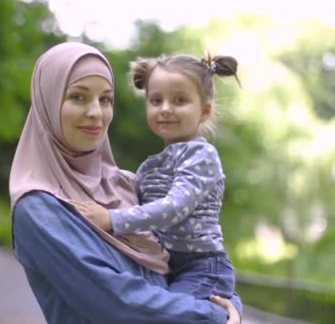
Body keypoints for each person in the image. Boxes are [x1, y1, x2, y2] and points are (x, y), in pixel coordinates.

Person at [10, 42, 242, 323]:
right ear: (47, 101)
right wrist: (217, 316)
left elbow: (202, 270)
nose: (96, 112)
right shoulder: (39, 207)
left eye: (105, 99)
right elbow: (121, 304)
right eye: (77, 97)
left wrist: (228, 307)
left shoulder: (125, 184)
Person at [73, 53, 240, 302]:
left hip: (202, 266)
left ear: (204, 111)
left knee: (166, 315)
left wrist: (111, 219)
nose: (165, 109)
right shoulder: (150, 166)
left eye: (180, 100)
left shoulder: (201, 154)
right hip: (165, 266)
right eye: (156, 100)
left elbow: (174, 208)